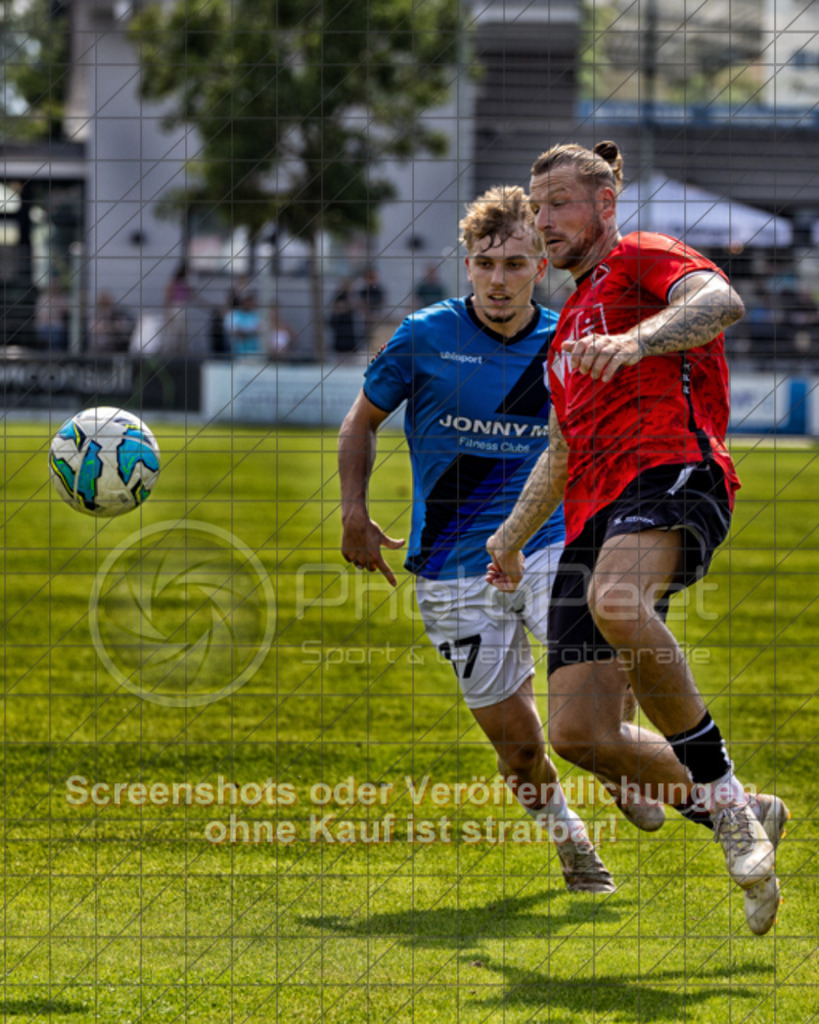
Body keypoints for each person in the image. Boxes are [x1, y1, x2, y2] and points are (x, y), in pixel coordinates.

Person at [486, 141, 789, 935]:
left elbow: (717, 301)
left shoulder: (643, 257)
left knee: (618, 599)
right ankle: (749, 807)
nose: (543, 220)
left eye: (557, 203)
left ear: (604, 202)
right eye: (536, 204)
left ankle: (724, 807)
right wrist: (510, 539)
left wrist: (637, 341)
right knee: (579, 734)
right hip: (590, 514)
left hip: (671, 471)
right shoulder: (561, 339)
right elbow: (560, 447)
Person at [339, 186, 626, 894]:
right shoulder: (424, 336)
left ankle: (627, 764)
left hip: (544, 548)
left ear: (540, 267)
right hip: (448, 569)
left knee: (592, 704)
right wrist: (352, 511)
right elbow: (359, 424)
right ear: (467, 265)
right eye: (486, 264)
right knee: (521, 749)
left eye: (516, 265)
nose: (499, 281)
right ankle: (573, 845)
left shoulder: (564, 343)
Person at [223, 290, 262, 356]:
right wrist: (252, 331)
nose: (248, 303)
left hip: (255, 353)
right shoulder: (232, 314)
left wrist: (244, 331)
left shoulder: (257, 314)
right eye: (246, 301)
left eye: (250, 300)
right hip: (236, 354)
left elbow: (261, 330)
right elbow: (236, 332)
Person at [328, 279, 360, 353]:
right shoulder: (339, 297)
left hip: (350, 337)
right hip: (341, 337)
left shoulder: (352, 296)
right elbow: (337, 308)